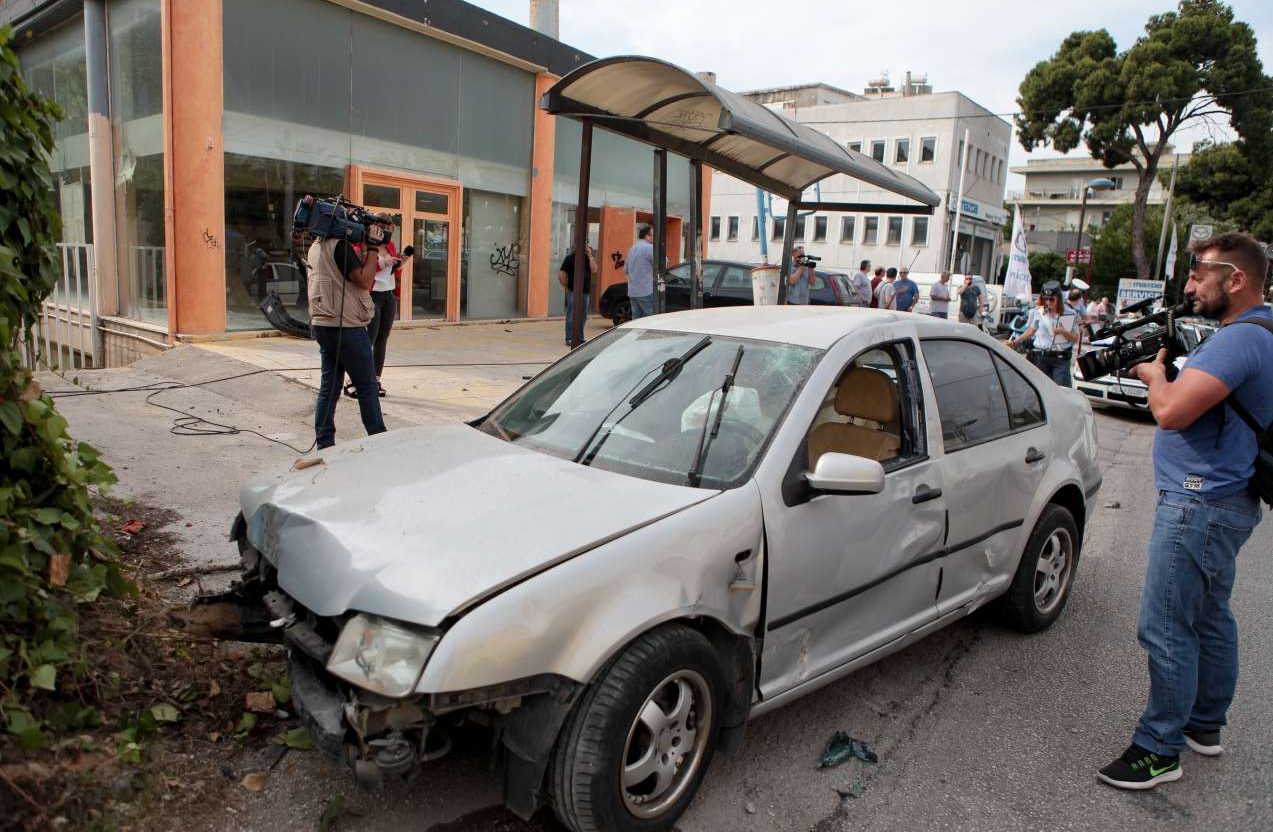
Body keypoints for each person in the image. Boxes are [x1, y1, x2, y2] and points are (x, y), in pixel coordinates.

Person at [1097, 232, 1273, 791]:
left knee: (1167, 624)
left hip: (1199, 502)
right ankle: (1204, 724)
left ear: (1237, 279)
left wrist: (1154, 378)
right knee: (1208, 616)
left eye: (1199, 274)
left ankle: (1158, 747)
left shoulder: (1237, 339)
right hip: (1229, 499)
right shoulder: (1262, 331)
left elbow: (1171, 412)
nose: (1191, 284)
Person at [308, 233, 386, 450]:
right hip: (347, 327)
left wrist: (362, 250)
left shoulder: (317, 245)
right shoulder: (340, 246)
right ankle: (380, 439)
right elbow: (363, 279)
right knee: (367, 386)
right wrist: (371, 249)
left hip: (325, 325)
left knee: (329, 388)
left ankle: (325, 444)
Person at [1008, 281, 1079, 386]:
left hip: (1060, 360)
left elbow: (1075, 338)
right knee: (1038, 391)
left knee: (1061, 393)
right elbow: (1030, 331)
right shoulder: (1038, 311)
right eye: (1046, 299)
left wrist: (1063, 332)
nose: (1048, 302)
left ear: (1058, 298)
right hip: (1040, 358)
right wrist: (1015, 342)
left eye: (1051, 299)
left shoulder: (1070, 313)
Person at [354, 239, 400, 399]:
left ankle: (376, 380)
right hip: (373, 294)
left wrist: (397, 265)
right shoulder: (363, 245)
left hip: (389, 294)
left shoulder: (390, 245)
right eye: (383, 226)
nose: (387, 230)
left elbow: (392, 273)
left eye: (389, 226)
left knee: (382, 339)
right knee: (369, 339)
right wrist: (384, 262)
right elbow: (364, 272)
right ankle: (355, 380)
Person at [559, 243, 598, 344]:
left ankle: (579, 337)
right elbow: (561, 274)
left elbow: (594, 269)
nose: (586, 248)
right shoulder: (570, 258)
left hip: (585, 291)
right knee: (571, 315)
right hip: (573, 291)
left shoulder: (588, 258)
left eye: (587, 246)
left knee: (583, 315)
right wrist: (567, 287)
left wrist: (590, 256)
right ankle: (570, 338)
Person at [624, 225, 657, 319]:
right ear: (647, 236)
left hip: (633, 292)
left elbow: (626, 270)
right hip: (646, 291)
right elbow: (663, 263)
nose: (654, 237)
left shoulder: (632, 249)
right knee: (651, 320)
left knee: (636, 321)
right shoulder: (650, 248)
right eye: (653, 235)